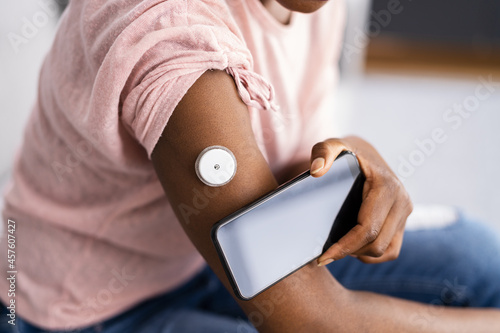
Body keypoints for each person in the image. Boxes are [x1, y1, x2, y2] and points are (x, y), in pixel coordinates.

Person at [1, 0, 499, 332]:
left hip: (200, 255)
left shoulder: (306, 5)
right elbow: (307, 320)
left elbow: (274, 180)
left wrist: (352, 151)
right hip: (81, 308)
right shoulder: (175, 40)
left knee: (474, 258)